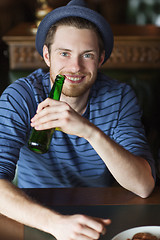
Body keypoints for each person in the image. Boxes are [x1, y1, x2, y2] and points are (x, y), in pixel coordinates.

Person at [0, 0, 156, 239]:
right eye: (64, 53)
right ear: (46, 55)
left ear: (101, 59)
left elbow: (143, 186)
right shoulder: (20, 96)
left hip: (101, 211)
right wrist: (56, 224)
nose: (75, 67)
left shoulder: (120, 97)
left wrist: (88, 131)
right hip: (34, 214)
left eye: (87, 55)